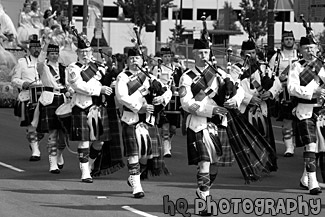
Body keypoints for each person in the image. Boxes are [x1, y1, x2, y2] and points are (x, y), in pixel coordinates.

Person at [179, 35, 277, 215]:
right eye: (199, 52)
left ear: (210, 52)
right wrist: (211, 110)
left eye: (206, 52)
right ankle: (205, 201)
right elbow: (186, 103)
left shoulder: (220, 73)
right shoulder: (187, 77)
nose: (203, 55)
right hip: (198, 124)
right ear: (193, 53)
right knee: (204, 163)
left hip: (220, 124)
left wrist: (234, 100)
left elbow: (238, 91)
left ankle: (202, 190)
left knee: (214, 164)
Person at [115, 47, 172, 198]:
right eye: (132, 59)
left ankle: (134, 178)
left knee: (146, 155)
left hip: (148, 120)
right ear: (127, 61)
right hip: (130, 119)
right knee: (133, 154)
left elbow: (168, 91)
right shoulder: (123, 77)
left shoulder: (149, 77)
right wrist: (140, 107)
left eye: (137, 58)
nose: (134, 61)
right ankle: (137, 186)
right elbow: (121, 97)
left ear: (142, 61)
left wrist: (162, 99)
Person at [66, 31, 112, 183]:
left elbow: (105, 81)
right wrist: (99, 90)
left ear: (91, 52)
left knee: (99, 142)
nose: (85, 55)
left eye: (87, 52)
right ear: (77, 53)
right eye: (82, 52)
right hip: (80, 106)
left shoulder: (97, 67)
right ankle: (85, 171)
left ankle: (90, 163)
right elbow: (79, 86)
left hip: (96, 106)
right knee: (84, 140)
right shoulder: (73, 68)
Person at [233, 39, 282, 158]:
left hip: (262, 108)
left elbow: (277, 83)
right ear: (242, 55)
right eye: (248, 54)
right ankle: (252, 165)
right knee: (248, 141)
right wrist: (249, 98)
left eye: (253, 53)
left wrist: (270, 93)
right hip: (245, 109)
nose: (251, 56)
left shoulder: (263, 67)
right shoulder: (236, 69)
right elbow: (235, 88)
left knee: (264, 138)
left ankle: (265, 163)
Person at [287, 35, 323, 195]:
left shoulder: (322, 67)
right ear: (300, 50)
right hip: (304, 110)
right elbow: (291, 88)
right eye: (306, 48)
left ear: (317, 49)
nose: (310, 51)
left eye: (312, 48)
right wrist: (312, 91)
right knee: (311, 145)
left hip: (322, 111)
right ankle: (313, 182)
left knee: (318, 149)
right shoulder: (296, 66)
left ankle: (305, 177)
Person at [30, 38, 69, 173]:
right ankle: (52, 164)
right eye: (51, 53)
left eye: (56, 53)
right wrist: (45, 47)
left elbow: (68, 85)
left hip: (63, 100)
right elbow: (39, 61)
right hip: (49, 100)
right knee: (52, 133)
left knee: (64, 134)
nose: (54, 55)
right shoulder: (43, 67)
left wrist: (70, 92)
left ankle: (59, 154)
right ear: (47, 54)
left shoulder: (64, 68)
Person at [11, 34, 44, 161]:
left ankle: (33, 139)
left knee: (43, 127)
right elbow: (14, 79)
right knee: (31, 125)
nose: (37, 50)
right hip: (27, 98)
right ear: (29, 49)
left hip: (44, 97)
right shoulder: (22, 63)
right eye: (34, 48)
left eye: (38, 48)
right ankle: (35, 151)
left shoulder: (44, 62)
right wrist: (23, 84)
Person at [268, 30, 299, 157]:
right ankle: (289, 147)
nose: (289, 41)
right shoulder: (276, 57)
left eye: (291, 39)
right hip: (284, 92)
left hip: (299, 92)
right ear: (282, 42)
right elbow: (271, 75)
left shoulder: (299, 56)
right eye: (286, 39)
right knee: (287, 120)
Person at [151, 47, 183, 157]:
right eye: (165, 56)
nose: (167, 58)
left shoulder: (177, 69)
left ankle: (169, 141)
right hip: (163, 98)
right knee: (165, 126)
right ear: (162, 57)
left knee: (173, 128)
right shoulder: (157, 69)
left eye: (169, 56)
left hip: (174, 100)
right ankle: (165, 147)